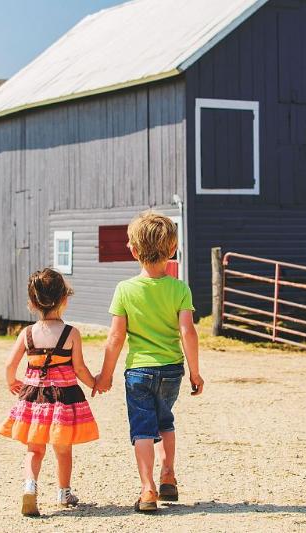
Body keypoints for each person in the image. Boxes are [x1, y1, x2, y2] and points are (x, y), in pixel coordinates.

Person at [93, 211, 204, 513]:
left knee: (143, 428)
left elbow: (116, 337)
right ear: (173, 249)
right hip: (171, 370)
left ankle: (147, 489)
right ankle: (168, 475)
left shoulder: (125, 290)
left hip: (138, 372)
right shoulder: (179, 289)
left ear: (133, 250)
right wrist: (195, 372)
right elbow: (188, 332)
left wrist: (105, 375)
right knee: (165, 420)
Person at [0, 268, 99, 517]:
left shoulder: (27, 334)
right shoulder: (71, 333)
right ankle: (64, 493)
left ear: (32, 303)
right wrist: (95, 383)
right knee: (63, 450)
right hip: (63, 401)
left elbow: (10, 365)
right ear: (64, 299)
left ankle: (29, 487)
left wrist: (12, 382)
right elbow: (79, 368)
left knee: (34, 449)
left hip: (34, 399)